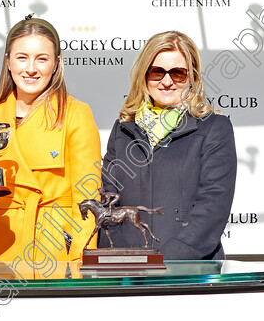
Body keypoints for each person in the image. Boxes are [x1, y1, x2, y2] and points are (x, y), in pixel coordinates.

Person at [0, 16, 101, 266]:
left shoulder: (76, 114)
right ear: (8, 61)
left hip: (56, 252)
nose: (31, 69)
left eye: (41, 59)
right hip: (0, 252)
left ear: (56, 64)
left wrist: (81, 264)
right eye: (22, 57)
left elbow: (87, 202)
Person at [100, 30, 237, 259]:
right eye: (157, 72)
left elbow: (212, 209)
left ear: (192, 77)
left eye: (177, 73)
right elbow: (109, 201)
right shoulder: (122, 129)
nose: (166, 81)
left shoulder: (214, 128)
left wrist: (166, 261)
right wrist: (116, 262)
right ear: (144, 76)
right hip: (128, 271)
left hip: (190, 272)